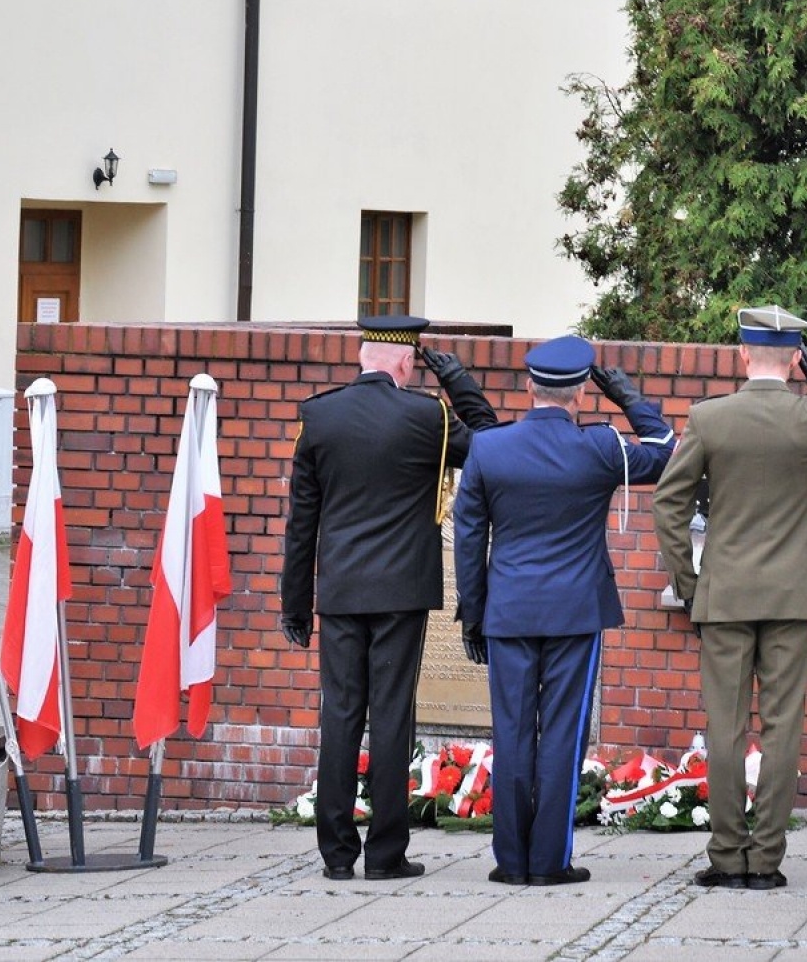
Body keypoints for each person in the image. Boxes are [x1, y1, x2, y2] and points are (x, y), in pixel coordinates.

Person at [654, 306, 807, 891]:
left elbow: (669, 505)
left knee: (726, 727)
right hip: (794, 595)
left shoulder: (710, 418)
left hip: (726, 595)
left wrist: (690, 586)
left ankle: (726, 856)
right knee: (784, 727)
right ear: (794, 359)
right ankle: (766, 861)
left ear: (742, 355)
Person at [280, 315, 497, 882]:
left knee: (341, 715)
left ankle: (335, 855)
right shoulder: (429, 417)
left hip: (342, 590)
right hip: (402, 592)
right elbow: (493, 447)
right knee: (393, 715)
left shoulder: (319, 416)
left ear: (362, 358)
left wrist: (295, 603)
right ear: (406, 362)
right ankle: (386, 855)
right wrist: (460, 386)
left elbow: (302, 521)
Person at [452, 336, 675, 886]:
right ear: (579, 392)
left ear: (530, 386)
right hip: (575, 612)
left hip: (508, 610)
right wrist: (624, 395)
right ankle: (549, 862)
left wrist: (475, 613)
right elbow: (667, 448)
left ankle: (511, 862)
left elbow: (467, 535)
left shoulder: (490, 448)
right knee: (561, 736)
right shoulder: (599, 447)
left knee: (511, 733)